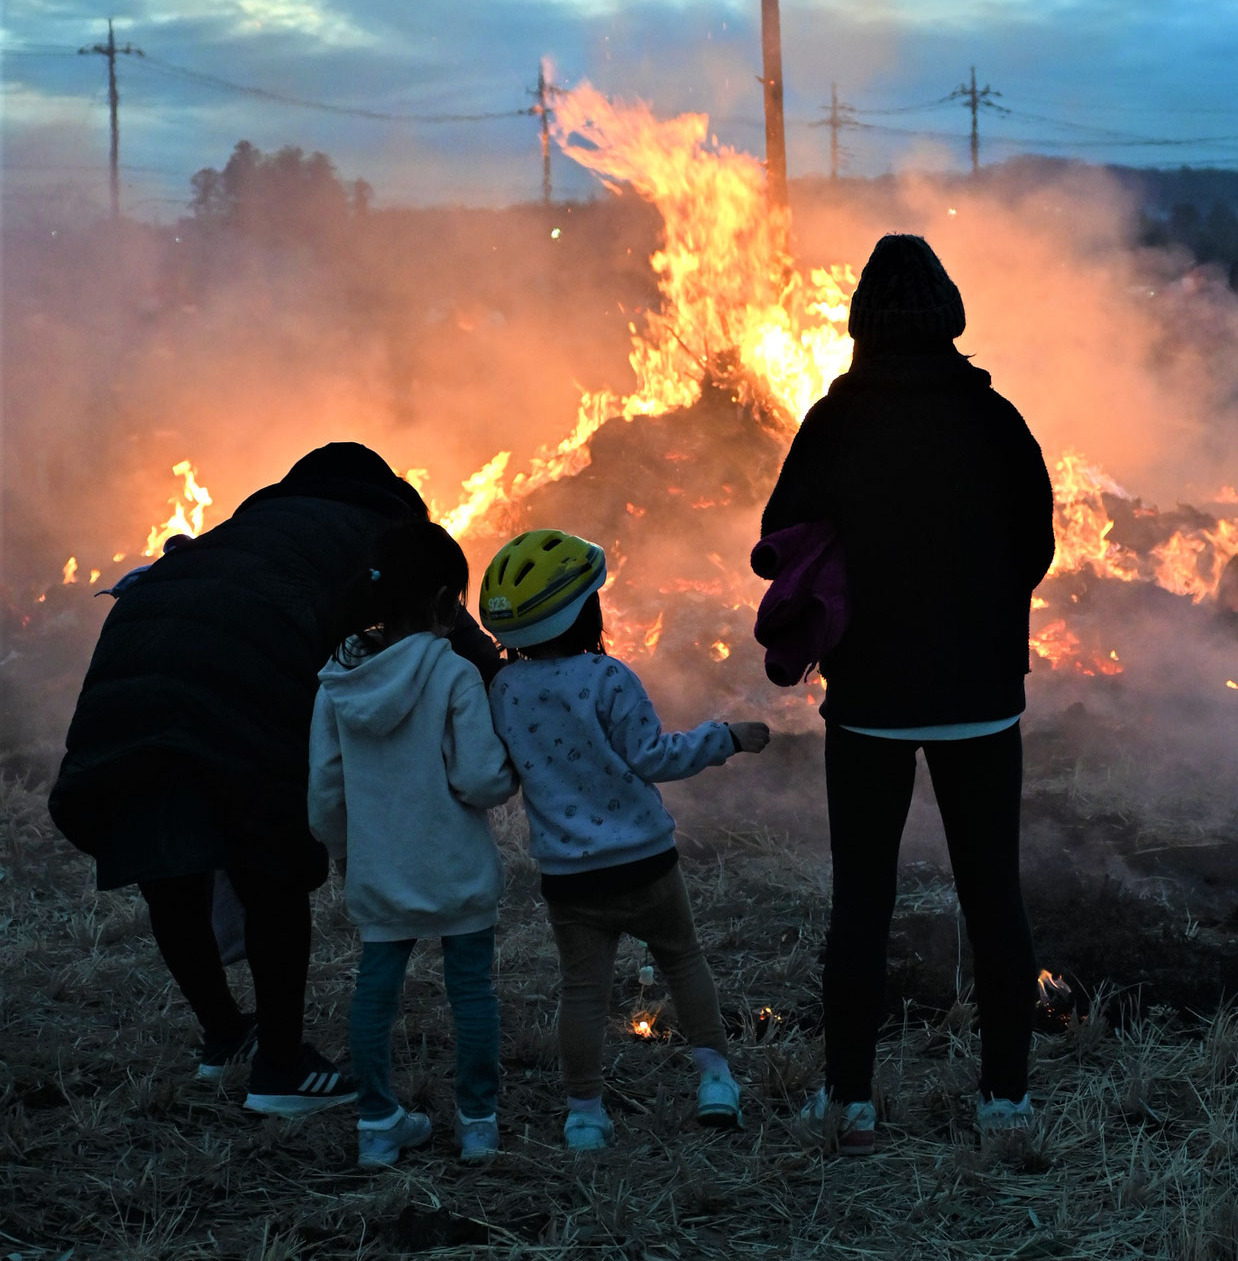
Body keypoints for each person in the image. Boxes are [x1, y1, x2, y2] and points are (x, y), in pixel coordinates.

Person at [48, 441, 501, 1116]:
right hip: (241, 680)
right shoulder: (379, 534)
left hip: (131, 668)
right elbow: (450, 632)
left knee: (166, 862)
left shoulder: (245, 528)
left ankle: (225, 1037)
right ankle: (281, 1068)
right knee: (273, 868)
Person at [759, 235, 1055, 1155]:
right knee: (992, 895)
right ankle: (1004, 1099)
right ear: (950, 315)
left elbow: (783, 534)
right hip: (981, 698)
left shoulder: (833, 421)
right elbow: (1037, 544)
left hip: (870, 704)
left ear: (861, 323)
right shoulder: (995, 418)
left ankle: (848, 1100)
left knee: (863, 899)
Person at [480, 529, 770, 1151]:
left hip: (568, 878)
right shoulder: (608, 677)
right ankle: (717, 1081)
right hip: (645, 863)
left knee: (582, 991)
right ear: (588, 611)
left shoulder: (503, 689)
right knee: (683, 960)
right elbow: (654, 757)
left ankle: (584, 1115)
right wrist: (727, 737)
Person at [309, 519, 518, 1170]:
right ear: (445, 604)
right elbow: (481, 779)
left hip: (380, 870)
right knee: (472, 993)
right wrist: (512, 770)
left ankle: (377, 1126)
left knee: (375, 993)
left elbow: (324, 792)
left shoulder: (338, 684)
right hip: (455, 867)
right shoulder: (455, 675)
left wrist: (345, 850)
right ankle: (478, 1125)